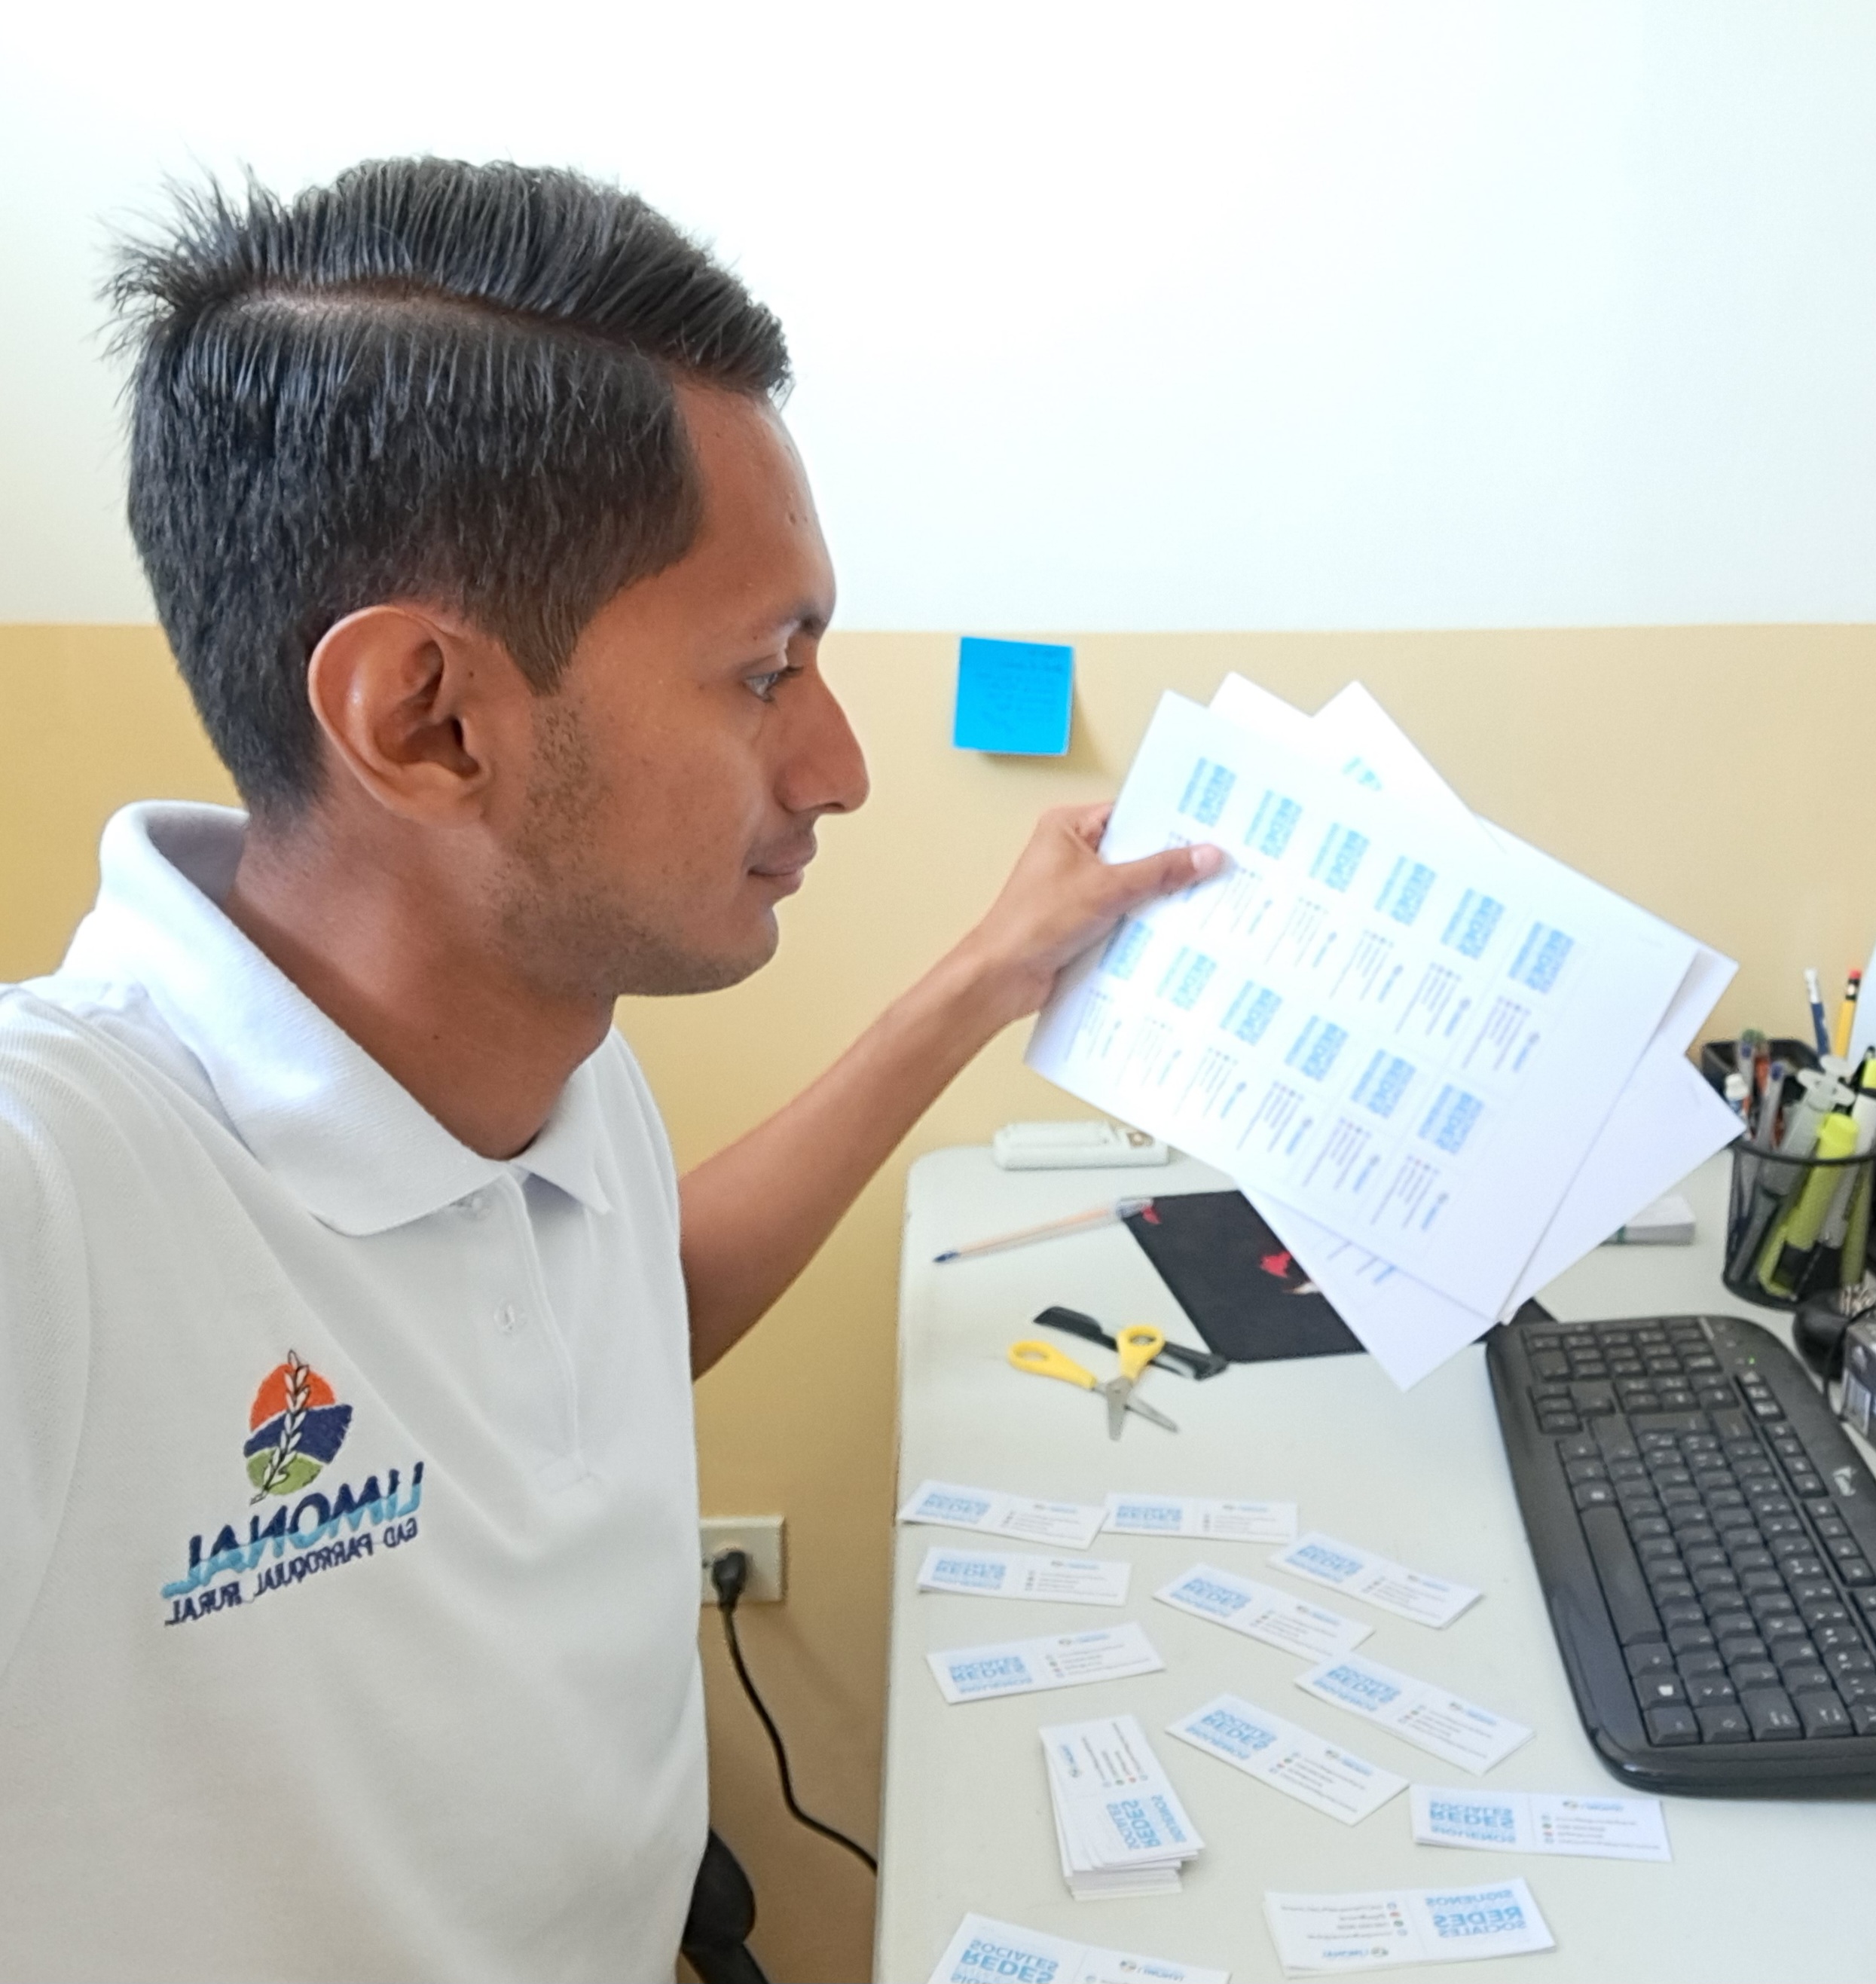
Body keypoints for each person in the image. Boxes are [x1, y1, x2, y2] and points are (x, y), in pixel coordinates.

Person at [0, 157, 1215, 1982]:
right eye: (767, 671)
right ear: (429, 717)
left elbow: (636, 1305)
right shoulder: (56, 1193)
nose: (839, 768)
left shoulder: (555, 1052)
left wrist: (984, 978)